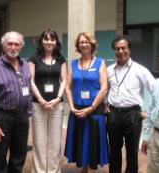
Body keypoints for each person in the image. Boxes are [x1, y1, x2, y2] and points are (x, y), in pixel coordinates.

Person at [0, 31, 32, 173]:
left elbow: (28, 87)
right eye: (9, 43)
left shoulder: (25, 65)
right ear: (4, 45)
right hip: (2, 117)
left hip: (22, 117)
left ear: (21, 46)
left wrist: (28, 112)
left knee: (19, 154)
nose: (13, 47)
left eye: (16, 44)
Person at [106, 35, 155, 173]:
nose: (120, 51)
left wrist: (146, 110)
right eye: (117, 49)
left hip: (133, 114)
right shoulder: (109, 70)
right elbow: (104, 89)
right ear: (114, 51)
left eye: (123, 48)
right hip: (113, 114)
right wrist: (105, 104)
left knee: (132, 152)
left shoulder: (140, 70)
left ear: (129, 49)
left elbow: (156, 91)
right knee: (114, 151)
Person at [64, 32, 109, 173]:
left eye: (87, 42)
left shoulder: (100, 62)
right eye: (81, 42)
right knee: (81, 143)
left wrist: (91, 107)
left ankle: (90, 169)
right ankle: (84, 168)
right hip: (77, 111)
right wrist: (71, 106)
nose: (84, 44)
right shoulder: (73, 63)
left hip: (94, 111)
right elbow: (67, 87)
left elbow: (104, 88)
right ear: (78, 45)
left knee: (92, 143)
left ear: (92, 44)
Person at [29, 29, 67, 173]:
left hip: (56, 106)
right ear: (42, 41)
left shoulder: (61, 59)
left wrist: (57, 99)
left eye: (52, 39)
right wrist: (41, 100)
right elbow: (30, 80)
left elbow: (64, 80)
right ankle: (39, 170)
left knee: (55, 142)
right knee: (39, 141)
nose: (49, 42)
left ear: (56, 42)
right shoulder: (34, 58)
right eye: (46, 39)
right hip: (38, 105)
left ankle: (53, 170)